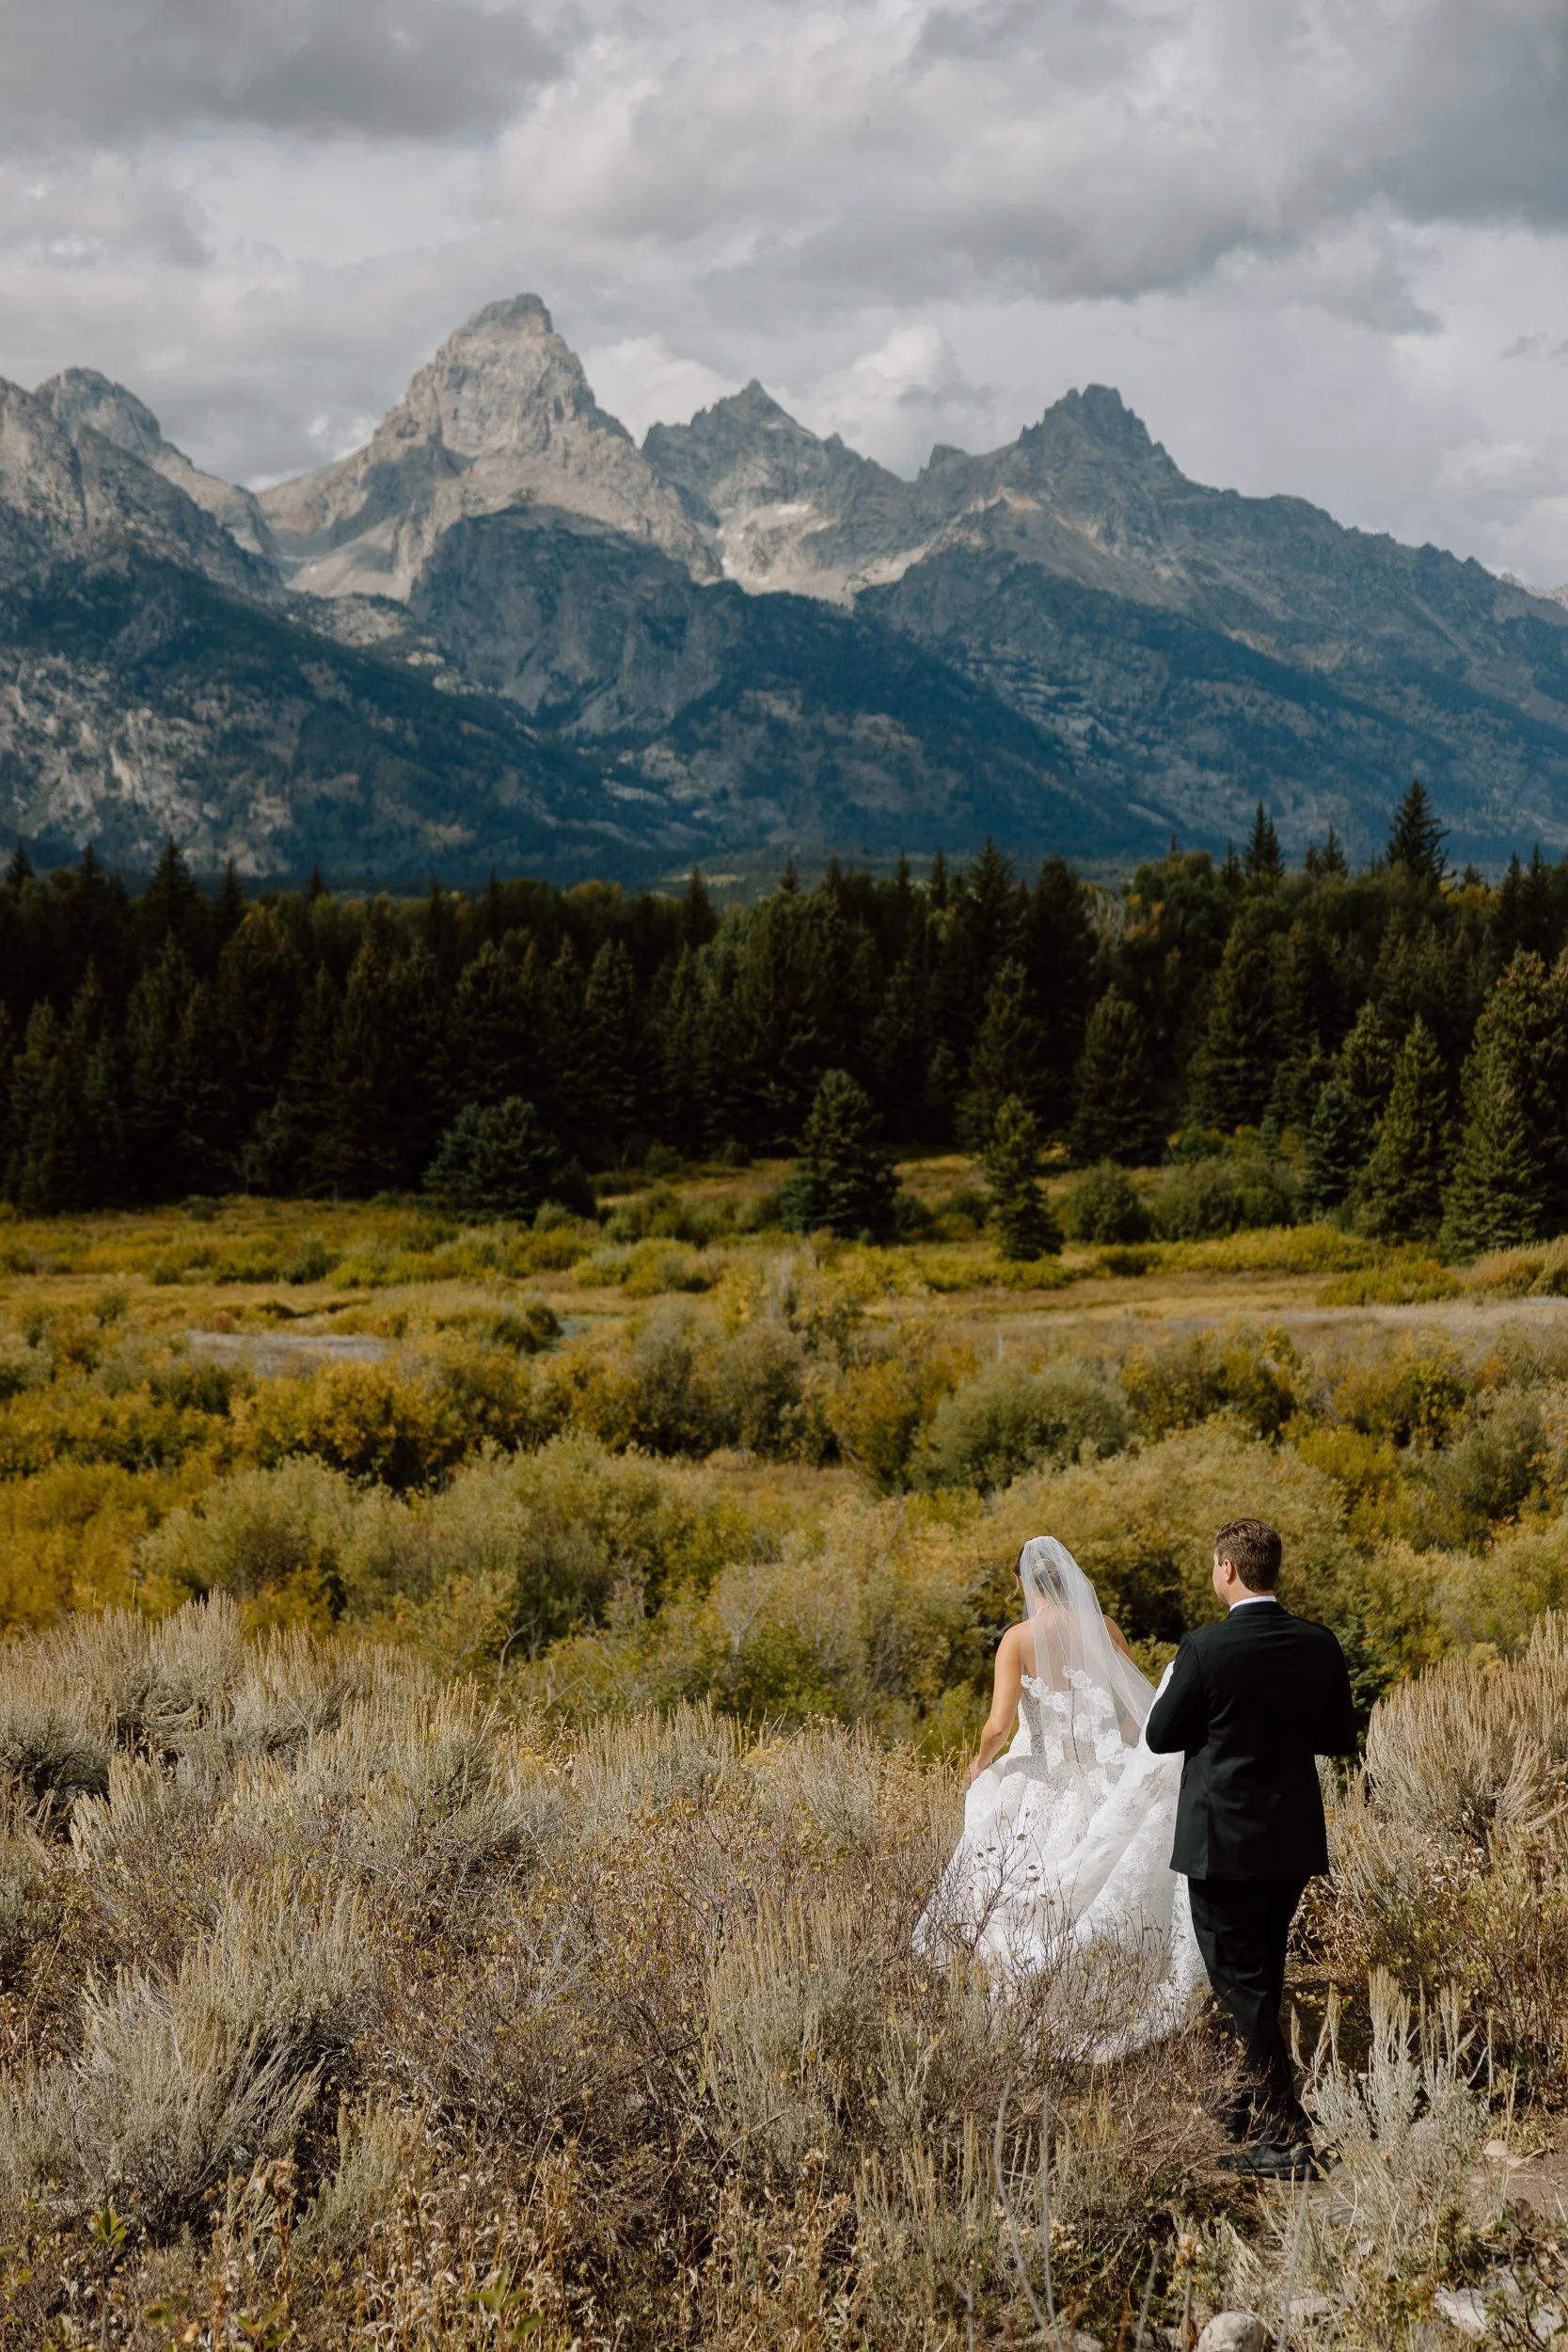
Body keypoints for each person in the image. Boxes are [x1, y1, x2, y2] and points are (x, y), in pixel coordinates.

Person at [915, 1535, 1206, 2057]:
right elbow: (1129, 1707)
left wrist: (981, 1762)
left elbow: (999, 1724)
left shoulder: (1017, 1640)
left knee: (1015, 1878)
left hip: (1041, 1784)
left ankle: (1022, 2001)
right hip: (1100, 1777)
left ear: (1023, 1583)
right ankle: (1108, 1989)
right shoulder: (1106, 1630)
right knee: (1096, 1881)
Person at [1145, 1517, 1357, 2179]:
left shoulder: (1205, 1649)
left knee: (1240, 1986)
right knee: (1259, 1977)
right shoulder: (1318, 1643)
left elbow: (1159, 1735)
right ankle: (1240, 2105)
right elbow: (1336, 1737)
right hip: (1289, 1840)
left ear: (1227, 1570)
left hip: (1221, 1846)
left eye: (1214, 1567)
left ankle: (1286, 2136)